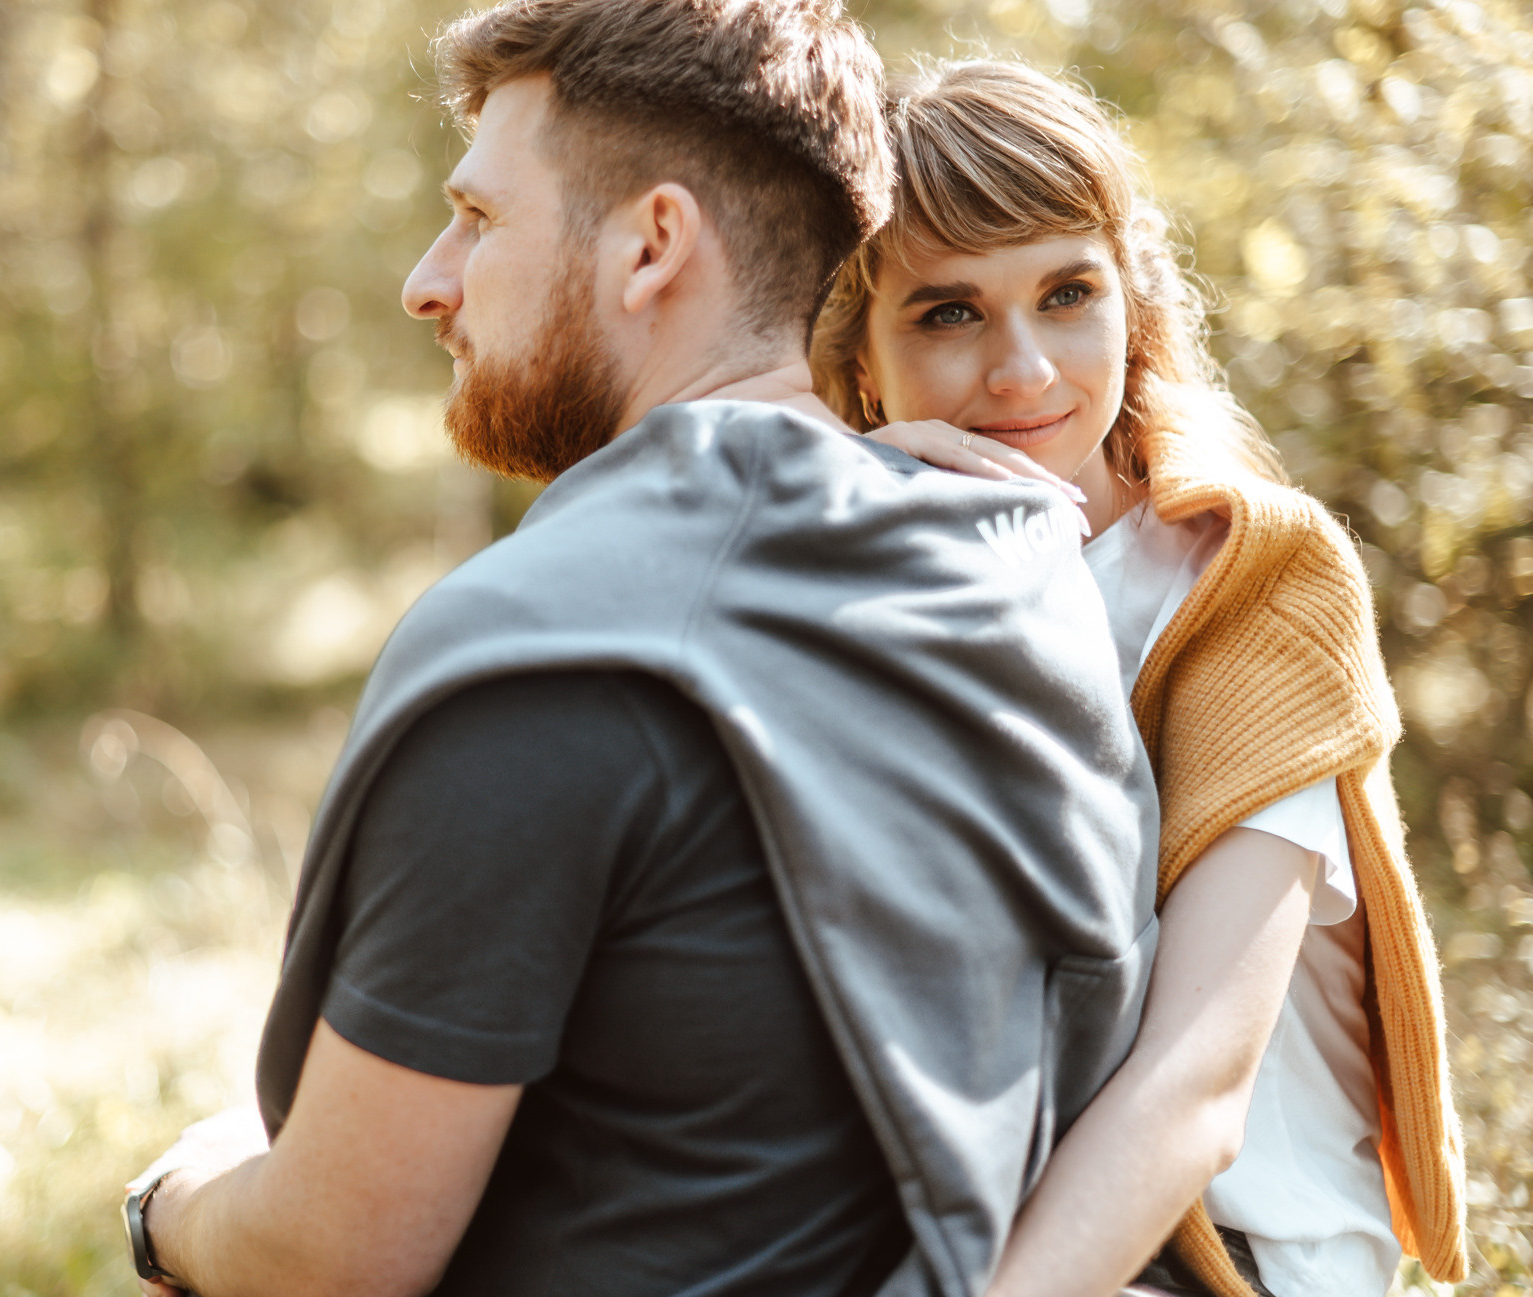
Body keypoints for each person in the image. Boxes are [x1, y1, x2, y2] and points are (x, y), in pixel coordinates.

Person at [121, 6, 1160, 1297]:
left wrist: (168, 1203)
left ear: (652, 243)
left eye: (482, 218)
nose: (428, 279)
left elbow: (335, 1256)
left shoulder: (541, 652)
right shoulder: (1025, 581)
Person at [810, 59, 1468, 1297]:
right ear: (859, 364)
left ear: (1132, 302)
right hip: (976, 1228)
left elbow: (1195, 1090)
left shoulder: (1245, 579)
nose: (1023, 373)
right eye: (947, 313)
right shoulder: (837, 585)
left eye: (1068, 295)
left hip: (1239, 1258)